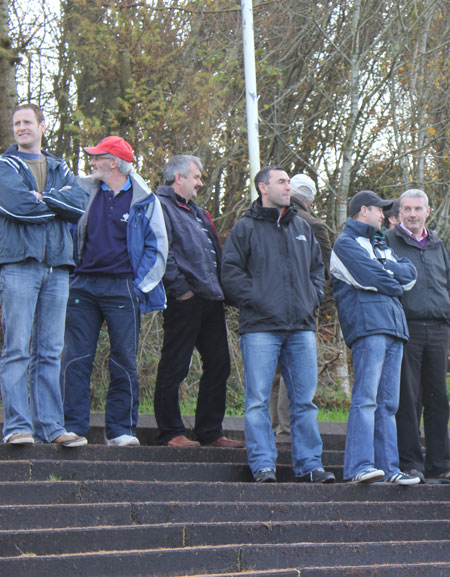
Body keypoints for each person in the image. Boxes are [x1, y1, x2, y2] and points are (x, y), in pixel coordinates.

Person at [221, 166, 335, 483]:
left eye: (288, 182)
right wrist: (259, 299)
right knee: (257, 400)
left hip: (301, 327)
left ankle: (310, 465)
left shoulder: (302, 227)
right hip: (260, 327)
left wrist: (311, 298)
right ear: (262, 187)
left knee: (305, 401)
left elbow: (317, 270)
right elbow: (229, 274)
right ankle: (263, 465)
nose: (288, 187)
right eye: (281, 181)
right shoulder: (245, 228)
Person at [61, 136, 168, 447]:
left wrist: (139, 287)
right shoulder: (83, 194)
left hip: (123, 288)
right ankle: (73, 428)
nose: (91, 162)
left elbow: (157, 246)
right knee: (75, 359)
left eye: (97, 157)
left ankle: (121, 431)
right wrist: (69, 275)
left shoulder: (145, 200)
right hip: (82, 286)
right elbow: (68, 234)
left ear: (113, 163)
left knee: (123, 361)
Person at [0, 103, 88, 447]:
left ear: (42, 126)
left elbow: (78, 207)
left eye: (27, 122)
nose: (21, 128)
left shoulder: (61, 167)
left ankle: (51, 427)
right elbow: (16, 207)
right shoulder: (4, 166)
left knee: (51, 351)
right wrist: (55, 204)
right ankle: (17, 427)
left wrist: (42, 198)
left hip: (58, 268)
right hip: (20, 265)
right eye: (16, 123)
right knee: (17, 348)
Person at [331, 190, 420, 485]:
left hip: (395, 329)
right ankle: (359, 465)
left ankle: (389, 468)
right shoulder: (345, 244)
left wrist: (386, 271)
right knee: (366, 400)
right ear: (363, 210)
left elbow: (409, 275)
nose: (384, 216)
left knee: (389, 404)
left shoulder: (381, 245)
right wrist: (388, 275)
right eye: (379, 210)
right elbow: (374, 279)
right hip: (369, 328)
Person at [154, 155, 241, 448]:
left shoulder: (198, 212)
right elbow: (160, 251)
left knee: (219, 365)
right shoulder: (160, 206)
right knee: (174, 366)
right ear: (178, 177)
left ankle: (210, 432)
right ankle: (170, 432)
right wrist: (181, 289)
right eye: (196, 177)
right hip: (185, 300)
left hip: (211, 299)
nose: (201, 183)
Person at [385, 189, 450, 483]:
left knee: (438, 398)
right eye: (407, 209)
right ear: (399, 213)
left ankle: (441, 464)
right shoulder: (389, 242)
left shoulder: (438, 246)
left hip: (438, 329)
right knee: (408, 399)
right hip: (405, 327)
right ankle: (411, 462)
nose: (412, 214)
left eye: (417, 209)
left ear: (428, 211)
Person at [269, 173, 332, 445]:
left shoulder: (265, 217)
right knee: (292, 371)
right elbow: (326, 270)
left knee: (273, 372)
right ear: (312, 199)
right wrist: (315, 299)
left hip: (268, 305)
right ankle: (286, 432)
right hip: (300, 308)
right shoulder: (314, 225)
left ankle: (273, 429)